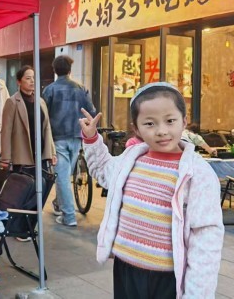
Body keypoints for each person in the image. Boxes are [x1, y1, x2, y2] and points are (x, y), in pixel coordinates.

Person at [79, 82, 223, 298]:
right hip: (126, 268)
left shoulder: (198, 173)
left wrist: (197, 294)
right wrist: (91, 139)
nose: (162, 131)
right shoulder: (130, 159)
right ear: (136, 129)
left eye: (170, 121)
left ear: (184, 121)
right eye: (150, 123)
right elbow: (102, 170)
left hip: (167, 278)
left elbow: (206, 236)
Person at [42, 55, 95, 227]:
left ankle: (69, 216)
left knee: (63, 177)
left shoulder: (49, 90)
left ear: (55, 70)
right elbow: (92, 111)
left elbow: (43, 116)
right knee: (65, 175)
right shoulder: (81, 88)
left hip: (57, 138)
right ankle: (59, 204)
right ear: (70, 70)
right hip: (77, 136)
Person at [1, 66, 56, 170]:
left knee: (43, 179)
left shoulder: (41, 102)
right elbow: (6, 131)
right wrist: (5, 157)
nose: (32, 81)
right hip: (22, 156)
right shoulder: (12, 102)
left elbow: (47, 127)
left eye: (34, 78)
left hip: (41, 154)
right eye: (28, 78)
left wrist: (52, 152)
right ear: (19, 82)